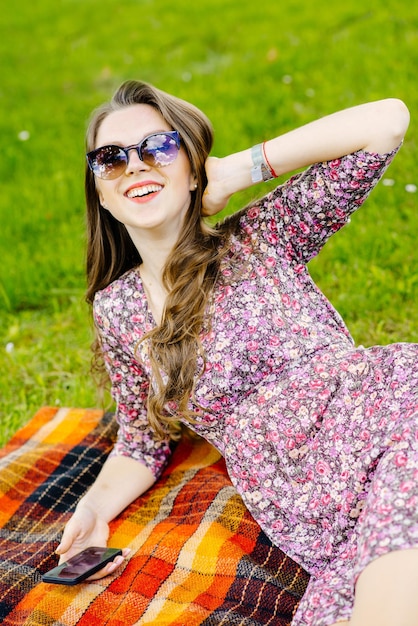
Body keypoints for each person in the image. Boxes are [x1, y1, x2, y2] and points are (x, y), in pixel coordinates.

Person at [55, 79, 418, 626]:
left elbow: (386, 122)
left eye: (158, 147)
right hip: (306, 497)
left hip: (387, 414)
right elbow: (141, 440)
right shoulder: (118, 310)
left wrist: (236, 172)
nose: (134, 166)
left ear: (194, 167)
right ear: (101, 192)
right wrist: (94, 509)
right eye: (111, 158)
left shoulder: (263, 237)